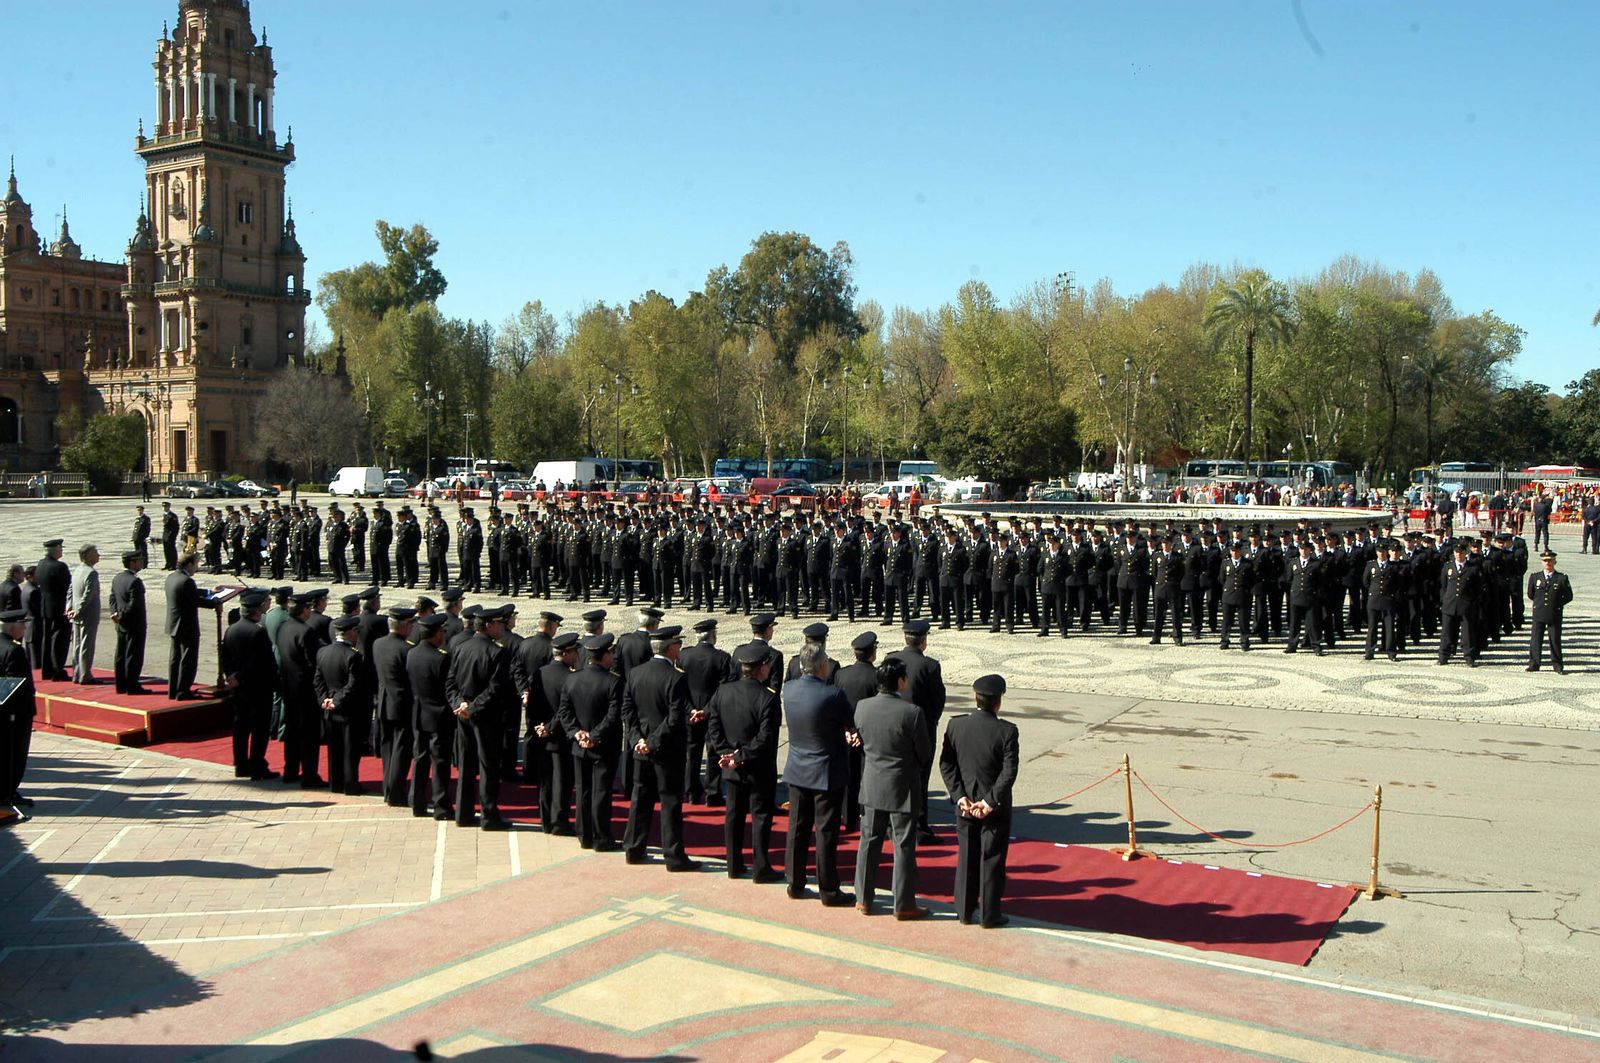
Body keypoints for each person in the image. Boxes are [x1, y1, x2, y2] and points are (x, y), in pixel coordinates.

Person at [852, 656, 932, 920]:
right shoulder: (912, 712)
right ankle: (904, 903)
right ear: (900, 681)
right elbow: (924, 752)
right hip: (902, 787)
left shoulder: (862, 707)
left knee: (869, 842)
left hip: (873, 783)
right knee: (903, 846)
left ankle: (863, 899)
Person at [940, 674, 1020, 928]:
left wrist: (959, 796)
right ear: (998, 702)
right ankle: (989, 913)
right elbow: (1009, 772)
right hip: (993, 808)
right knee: (992, 859)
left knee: (966, 859)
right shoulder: (1007, 731)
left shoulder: (956, 726)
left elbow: (947, 764)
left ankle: (963, 910)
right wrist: (989, 802)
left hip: (965, 804)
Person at [780, 640, 856, 908]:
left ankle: (795, 881)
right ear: (822, 665)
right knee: (825, 833)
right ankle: (829, 889)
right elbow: (850, 721)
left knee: (797, 828)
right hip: (826, 770)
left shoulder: (788, 689)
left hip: (798, 768)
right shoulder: (832, 694)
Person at [621, 624, 699, 871]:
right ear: (669, 647)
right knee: (670, 803)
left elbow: (628, 712)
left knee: (640, 798)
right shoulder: (676, 677)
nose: (680, 648)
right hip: (666, 751)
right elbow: (675, 718)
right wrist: (652, 742)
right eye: (678, 644)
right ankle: (674, 855)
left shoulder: (635, 674)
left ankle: (634, 848)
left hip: (642, 748)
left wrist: (638, 741)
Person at [708, 642, 782, 882]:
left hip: (731, 765)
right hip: (757, 767)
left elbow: (714, 728)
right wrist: (739, 757)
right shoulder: (767, 698)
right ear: (761, 669)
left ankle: (734, 863)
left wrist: (727, 755)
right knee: (760, 816)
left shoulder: (724, 691)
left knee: (734, 814)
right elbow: (765, 739)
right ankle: (761, 866)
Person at [446, 604, 512, 830]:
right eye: (500, 623)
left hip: (463, 714)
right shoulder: (497, 652)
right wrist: (472, 707)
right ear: (489, 625)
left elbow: (451, 683)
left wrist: (460, 704)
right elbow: (495, 689)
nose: (502, 627)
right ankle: (488, 815)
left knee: (465, 765)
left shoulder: (461, 647)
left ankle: (463, 814)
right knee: (488, 766)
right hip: (486, 717)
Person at [556, 633, 624, 851]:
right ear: (603, 655)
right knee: (601, 791)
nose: (613, 656)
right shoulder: (613, 681)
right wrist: (594, 736)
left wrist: (577, 733)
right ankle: (601, 836)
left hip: (580, 745)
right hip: (604, 746)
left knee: (583, 790)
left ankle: (584, 834)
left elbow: (564, 713)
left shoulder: (572, 678)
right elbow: (613, 717)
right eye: (610, 653)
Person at [885, 618, 946, 844]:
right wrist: (930, 722)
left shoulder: (891, 659)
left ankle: (892, 822)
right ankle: (919, 826)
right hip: (920, 728)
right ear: (923, 641)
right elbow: (938, 700)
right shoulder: (929, 666)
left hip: (893, 727)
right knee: (920, 779)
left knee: (895, 775)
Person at [219, 590, 279, 780]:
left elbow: (225, 656)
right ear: (256, 612)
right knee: (260, 729)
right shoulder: (258, 632)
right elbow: (261, 662)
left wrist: (231, 676)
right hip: (258, 688)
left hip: (239, 687)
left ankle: (240, 764)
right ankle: (257, 765)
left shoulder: (232, 629)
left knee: (241, 727)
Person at [528, 632, 580, 834]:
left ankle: (546, 820)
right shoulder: (570, 677)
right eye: (574, 652)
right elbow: (565, 710)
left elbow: (532, 705)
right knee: (562, 780)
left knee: (546, 780)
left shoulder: (540, 672)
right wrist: (550, 727)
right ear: (566, 653)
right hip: (561, 735)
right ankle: (559, 821)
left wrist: (539, 727)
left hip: (542, 735)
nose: (576, 655)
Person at [679, 617, 735, 805]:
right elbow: (724, 689)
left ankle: (692, 792)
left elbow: (679, 688)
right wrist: (706, 710)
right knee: (713, 753)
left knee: (691, 753)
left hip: (690, 713)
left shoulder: (684, 655)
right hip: (713, 713)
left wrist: (691, 709)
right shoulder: (722, 658)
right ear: (713, 636)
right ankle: (712, 793)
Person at [407, 613, 455, 819]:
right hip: (438, 716)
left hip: (419, 713)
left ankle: (417, 802)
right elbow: (446, 688)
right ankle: (441, 805)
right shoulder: (441, 659)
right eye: (442, 631)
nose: (444, 634)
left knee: (420, 759)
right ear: (435, 634)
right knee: (440, 762)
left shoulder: (412, 653)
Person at [315, 614, 369, 795]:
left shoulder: (323, 652)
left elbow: (318, 680)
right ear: (350, 633)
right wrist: (337, 701)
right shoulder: (353, 656)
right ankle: (350, 784)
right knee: (350, 750)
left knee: (335, 749)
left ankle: (335, 783)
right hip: (348, 710)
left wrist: (325, 700)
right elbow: (353, 685)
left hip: (329, 709)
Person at [374, 606, 419, 807]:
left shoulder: (378, 644)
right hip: (402, 705)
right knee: (401, 750)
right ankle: (395, 792)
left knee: (388, 748)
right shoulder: (407, 650)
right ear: (404, 626)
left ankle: (387, 788)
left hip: (384, 703)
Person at [165, 553, 221, 699]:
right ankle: (183, 690)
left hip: (174, 623)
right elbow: (196, 600)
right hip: (186, 625)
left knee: (175, 658)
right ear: (189, 565)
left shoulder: (172, 577)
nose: (196, 568)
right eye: (195, 564)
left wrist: (209, 591)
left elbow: (190, 593)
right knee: (188, 659)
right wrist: (215, 602)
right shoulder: (187, 581)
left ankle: (173, 689)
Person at [1, 608, 37, 819]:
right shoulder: (14, 651)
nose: (24, 628)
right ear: (12, 626)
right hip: (16, 713)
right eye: (22, 624)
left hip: (4, 712)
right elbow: (16, 686)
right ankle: (8, 792)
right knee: (16, 754)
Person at [108, 552, 148, 695]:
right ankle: (132, 685)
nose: (142, 562)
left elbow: (112, 597)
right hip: (133, 624)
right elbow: (134, 604)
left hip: (120, 623)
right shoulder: (134, 582)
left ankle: (121, 684)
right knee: (133, 655)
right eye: (140, 560)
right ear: (133, 562)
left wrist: (115, 613)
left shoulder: (118, 578)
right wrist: (122, 615)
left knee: (121, 654)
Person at [1527, 551, 1573, 674]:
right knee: (1536, 640)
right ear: (1542, 562)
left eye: (1550, 560)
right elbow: (1531, 594)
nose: (1548, 563)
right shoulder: (1535, 577)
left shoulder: (1561, 578)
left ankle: (1557, 665)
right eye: (1545, 561)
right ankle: (1534, 663)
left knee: (1555, 640)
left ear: (1555, 562)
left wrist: (1557, 604)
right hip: (1539, 613)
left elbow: (1568, 596)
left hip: (1554, 613)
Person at [35, 539, 71, 681]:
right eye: (60, 548)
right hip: (59, 608)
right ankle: (57, 670)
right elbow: (67, 585)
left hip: (45, 606)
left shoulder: (41, 564)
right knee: (59, 640)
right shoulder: (60, 566)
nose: (62, 550)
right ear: (55, 549)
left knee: (47, 639)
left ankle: (47, 670)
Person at [67, 544, 103, 684]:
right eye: (96, 553)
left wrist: (69, 608)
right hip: (87, 613)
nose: (98, 555)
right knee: (86, 645)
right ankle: (85, 675)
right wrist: (78, 610)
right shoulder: (91, 573)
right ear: (88, 556)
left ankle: (77, 673)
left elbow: (70, 591)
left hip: (76, 612)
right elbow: (87, 596)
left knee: (77, 644)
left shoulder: (78, 570)